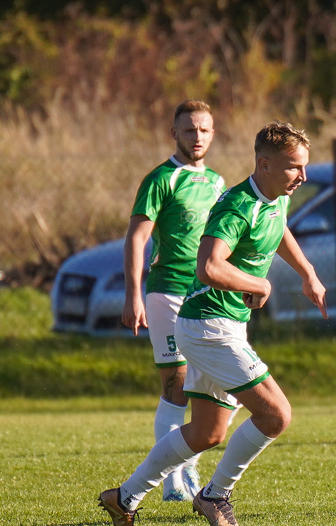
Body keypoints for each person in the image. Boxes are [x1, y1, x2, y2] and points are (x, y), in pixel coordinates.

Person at [99, 121, 327, 526]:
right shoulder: (236, 206)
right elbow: (208, 267)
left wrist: (307, 271)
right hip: (208, 327)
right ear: (264, 164)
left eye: (304, 166)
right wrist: (259, 282)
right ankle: (215, 495)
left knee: (207, 432)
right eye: (295, 167)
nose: (303, 177)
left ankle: (124, 497)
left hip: (222, 326)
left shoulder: (275, 195)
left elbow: (276, 231)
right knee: (276, 415)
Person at [121, 100, 226, 502]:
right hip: (167, 290)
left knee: (203, 385)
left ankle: (187, 469)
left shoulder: (217, 182)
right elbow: (137, 238)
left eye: (203, 130)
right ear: (174, 134)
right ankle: (171, 482)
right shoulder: (160, 179)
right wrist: (134, 294)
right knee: (176, 385)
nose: (196, 137)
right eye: (189, 130)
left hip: (206, 294)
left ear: (212, 134)